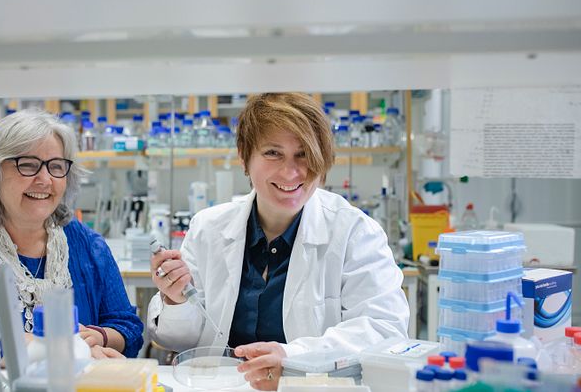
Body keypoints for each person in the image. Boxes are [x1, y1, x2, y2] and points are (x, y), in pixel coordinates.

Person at [147, 93, 409, 390]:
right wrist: (176, 300)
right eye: (273, 153)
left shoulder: (355, 232)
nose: (291, 172)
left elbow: (385, 329)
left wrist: (291, 357)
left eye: (304, 154)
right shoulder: (208, 228)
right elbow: (177, 341)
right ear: (245, 157)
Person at [0, 109, 143, 365]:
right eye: (28, 165)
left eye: (56, 166)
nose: (45, 180)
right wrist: (53, 347)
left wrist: (99, 338)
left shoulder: (85, 243)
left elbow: (129, 328)